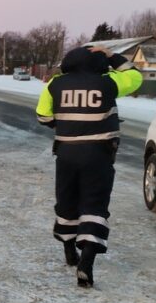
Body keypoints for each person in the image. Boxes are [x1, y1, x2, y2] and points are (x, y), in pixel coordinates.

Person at [35, 45, 142, 288]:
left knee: (67, 202)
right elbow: (135, 77)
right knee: (94, 205)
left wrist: (64, 125)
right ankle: (87, 263)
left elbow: (43, 116)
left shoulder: (55, 84)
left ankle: (69, 250)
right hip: (99, 155)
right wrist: (112, 56)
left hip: (66, 154)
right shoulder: (109, 82)